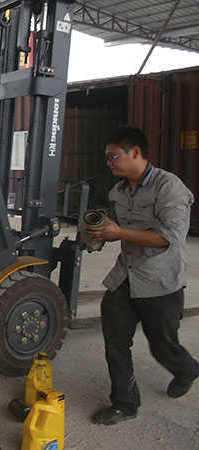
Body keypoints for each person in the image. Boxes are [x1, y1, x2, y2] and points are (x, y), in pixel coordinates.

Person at [85, 126, 198, 426]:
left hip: (160, 282)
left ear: (135, 153)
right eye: (107, 157)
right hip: (125, 276)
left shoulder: (169, 187)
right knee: (115, 343)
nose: (109, 162)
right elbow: (119, 229)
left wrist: (119, 232)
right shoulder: (118, 191)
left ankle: (187, 369)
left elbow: (168, 237)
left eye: (113, 156)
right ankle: (125, 404)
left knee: (163, 346)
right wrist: (102, 233)